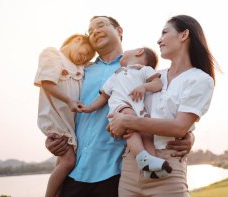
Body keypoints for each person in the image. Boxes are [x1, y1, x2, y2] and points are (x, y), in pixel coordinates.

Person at [44, 16, 195, 197]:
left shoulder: (141, 68)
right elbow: (60, 108)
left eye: (101, 25)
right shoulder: (79, 71)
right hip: (75, 173)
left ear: (119, 31)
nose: (95, 32)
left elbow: (166, 107)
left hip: (117, 174)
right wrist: (53, 136)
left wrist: (190, 135)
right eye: (90, 31)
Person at [108, 15, 218, 197]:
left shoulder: (200, 79)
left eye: (165, 32)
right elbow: (123, 107)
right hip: (130, 168)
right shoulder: (150, 76)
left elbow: (179, 126)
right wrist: (117, 124)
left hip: (168, 167)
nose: (159, 40)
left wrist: (127, 121)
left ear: (184, 35)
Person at [78, 47, 173, 178]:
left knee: (147, 134)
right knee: (130, 125)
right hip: (120, 110)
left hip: (139, 111)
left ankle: (152, 164)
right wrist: (89, 108)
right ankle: (141, 157)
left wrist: (144, 87)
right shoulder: (115, 75)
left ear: (139, 52)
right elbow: (103, 97)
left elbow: (158, 84)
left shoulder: (144, 70)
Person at [34, 34, 95, 197]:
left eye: (88, 57)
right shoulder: (53, 55)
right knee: (68, 161)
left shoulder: (80, 68)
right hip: (56, 120)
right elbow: (47, 83)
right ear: (77, 40)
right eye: (86, 52)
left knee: (63, 164)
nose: (85, 57)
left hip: (70, 124)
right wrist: (69, 100)